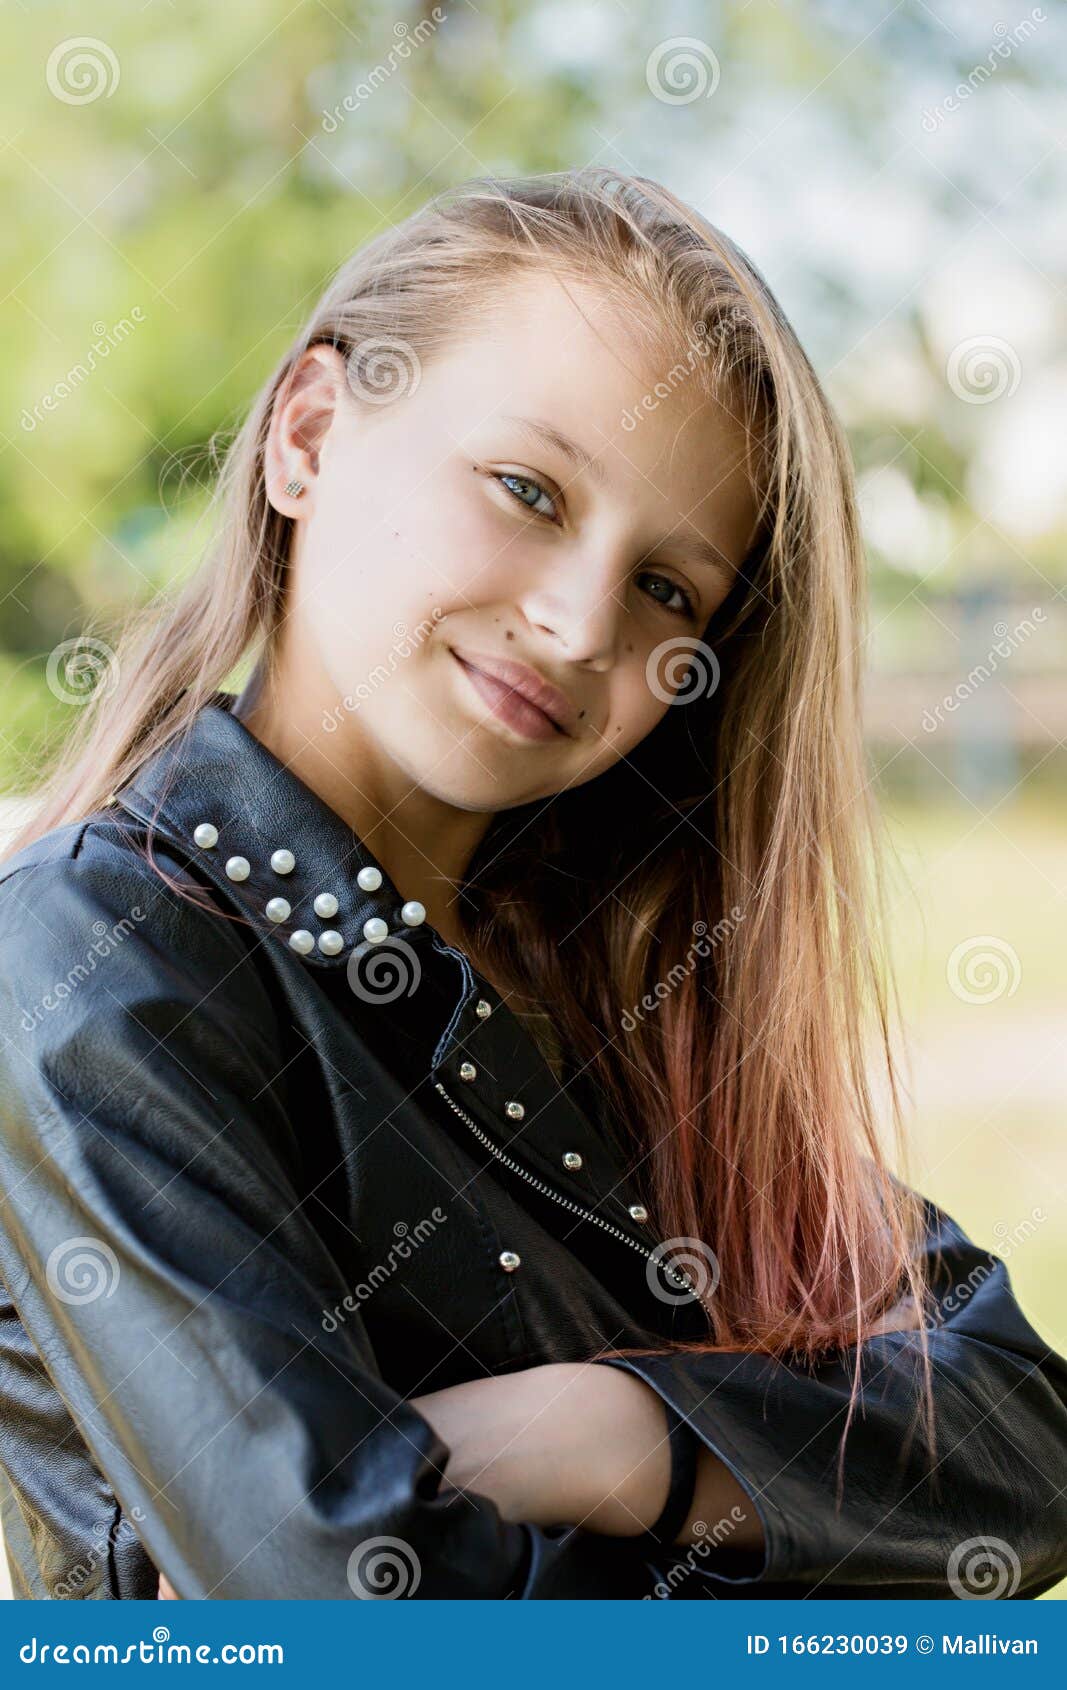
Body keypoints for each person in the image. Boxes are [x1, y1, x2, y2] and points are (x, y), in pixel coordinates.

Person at [0, 169, 1064, 1601]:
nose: (576, 622)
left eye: (668, 590)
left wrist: (623, 1435)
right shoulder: (88, 959)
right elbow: (344, 1598)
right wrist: (798, 1520)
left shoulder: (610, 1002)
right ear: (310, 433)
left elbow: (1019, 1434)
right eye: (527, 490)